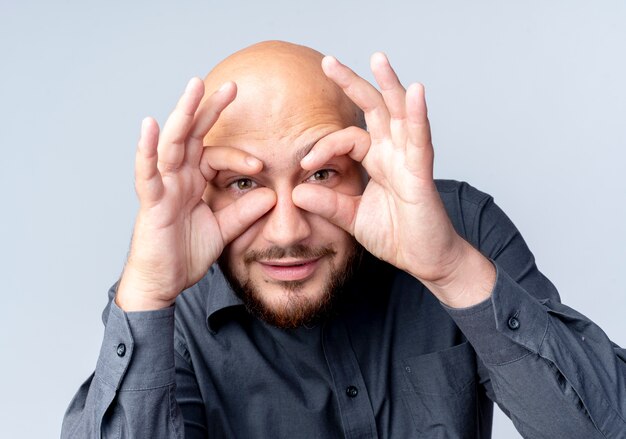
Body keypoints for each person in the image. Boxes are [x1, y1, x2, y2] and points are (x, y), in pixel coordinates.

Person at [61, 41, 625, 438]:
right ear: (203, 192)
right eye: (242, 184)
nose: (287, 231)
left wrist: (452, 270)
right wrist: (148, 294)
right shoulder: (170, 301)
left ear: (367, 167)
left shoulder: (457, 230)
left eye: (320, 174)